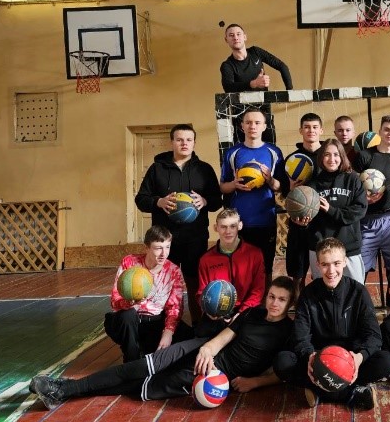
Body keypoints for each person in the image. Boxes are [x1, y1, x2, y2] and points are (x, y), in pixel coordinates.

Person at [29, 277, 295, 410]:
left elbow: (286, 370)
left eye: (281, 299)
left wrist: (255, 382)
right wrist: (207, 348)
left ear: (290, 303)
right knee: (137, 368)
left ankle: (65, 393)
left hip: (214, 375)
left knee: (137, 387)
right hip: (201, 349)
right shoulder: (253, 314)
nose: (274, 303)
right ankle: (64, 388)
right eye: (272, 296)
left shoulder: (287, 331)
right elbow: (226, 336)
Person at [273, 238, 390, 410]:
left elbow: (374, 335)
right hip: (318, 358)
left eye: (336, 263)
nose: (331, 271)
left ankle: (320, 391)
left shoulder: (359, 292)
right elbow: (300, 336)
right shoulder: (308, 294)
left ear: (345, 262)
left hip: (351, 358)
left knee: (386, 362)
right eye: (325, 264)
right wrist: (310, 357)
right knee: (283, 361)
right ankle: (351, 393)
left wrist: (359, 358)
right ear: (317, 265)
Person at [135, 123, 221, 323]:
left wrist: (205, 201)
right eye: (179, 139)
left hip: (195, 237)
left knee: (194, 283)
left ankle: (198, 325)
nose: (184, 143)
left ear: (194, 143)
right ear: (171, 142)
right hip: (165, 240)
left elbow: (217, 201)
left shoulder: (204, 169)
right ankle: (165, 326)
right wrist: (158, 202)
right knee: (164, 283)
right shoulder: (157, 169)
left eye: (189, 140)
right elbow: (141, 199)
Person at [104, 226, 193, 363]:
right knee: (127, 316)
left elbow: (175, 308)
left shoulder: (174, 271)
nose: (164, 253)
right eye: (158, 248)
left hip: (155, 321)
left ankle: (146, 349)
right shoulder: (130, 262)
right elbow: (115, 300)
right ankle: (131, 359)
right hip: (130, 322)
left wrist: (168, 332)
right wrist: (130, 302)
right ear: (146, 248)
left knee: (189, 338)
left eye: (167, 247)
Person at [220, 108, 285, 293]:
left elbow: (280, 186)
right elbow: (222, 186)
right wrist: (234, 185)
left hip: (265, 220)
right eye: (248, 122)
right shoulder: (232, 152)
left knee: (266, 268)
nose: (252, 126)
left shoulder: (274, 152)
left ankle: (264, 305)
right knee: (240, 268)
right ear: (242, 126)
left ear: (264, 126)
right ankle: (242, 304)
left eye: (257, 123)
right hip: (239, 222)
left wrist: (269, 180)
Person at [290, 139, 368, 283]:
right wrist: (303, 223)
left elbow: (359, 210)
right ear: (321, 157)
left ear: (342, 157)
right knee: (323, 291)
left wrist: (331, 210)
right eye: (327, 155)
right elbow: (309, 218)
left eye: (336, 154)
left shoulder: (352, 180)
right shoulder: (312, 184)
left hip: (348, 247)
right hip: (321, 249)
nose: (332, 159)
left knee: (355, 289)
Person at [352, 115, 390, 304]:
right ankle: (359, 310)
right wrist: (364, 200)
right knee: (358, 270)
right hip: (367, 219)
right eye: (387, 129)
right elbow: (353, 187)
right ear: (380, 131)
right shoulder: (364, 156)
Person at [195, 209, 265, 338]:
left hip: (247, 309)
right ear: (216, 228)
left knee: (251, 338)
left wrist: (240, 314)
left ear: (240, 226)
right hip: (217, 311)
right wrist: (209, 310)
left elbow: (258, 290)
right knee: (201, 335)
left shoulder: (255, 254)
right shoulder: (206, 259)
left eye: (232, 226)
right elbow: (201, 293)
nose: (228, 231)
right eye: (223, 227)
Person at [219, 22, 293, 143]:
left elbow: (281, 66)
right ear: (226, 40)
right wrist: (253, 83)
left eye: (238, 34)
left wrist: (290, 91)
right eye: (231, 35)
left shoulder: (256, 52)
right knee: (244, 148)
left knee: (269, 145)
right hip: (241, 115)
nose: (235, 37)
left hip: (263, 111)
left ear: (245, 37)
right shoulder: (227, 65)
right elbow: (228, 87)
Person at [282, 113, 324, 299]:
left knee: (323, 271)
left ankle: (319, 308)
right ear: (300, 130)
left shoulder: (328, 155)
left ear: (321, 130)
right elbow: (284, 191)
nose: (311, 130)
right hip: (298, 220)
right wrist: (290, 190)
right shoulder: (292, 159)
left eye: (314, 127)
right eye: (307, 127)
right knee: (297, 273)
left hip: (322, 222)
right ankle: (300, 309)